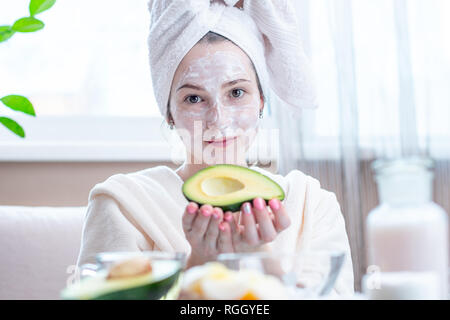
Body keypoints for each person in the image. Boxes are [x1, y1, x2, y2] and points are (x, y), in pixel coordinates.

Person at [76, 0, 355, 296]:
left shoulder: (313, 205)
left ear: (261, 100)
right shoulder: (123, 204)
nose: (218, 121)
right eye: (194, 99)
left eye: (236, 92)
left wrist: (262, 262)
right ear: (169, 112)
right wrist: (197, 270)